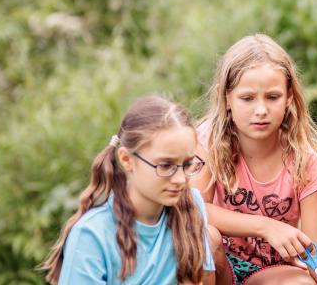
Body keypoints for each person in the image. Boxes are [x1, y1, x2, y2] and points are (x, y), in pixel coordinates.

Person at [193, 34, 317, 285]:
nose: (261, 110)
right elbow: (191, 209)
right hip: (216, 268)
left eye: (272, 97)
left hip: (270, 271)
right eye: (247, 98)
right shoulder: (207, 141)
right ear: (226, 97)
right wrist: (266, 226)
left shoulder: (305, 161)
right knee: (203, 237)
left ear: (289, 96)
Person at [41, 95, 219, 285]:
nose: (180, 179)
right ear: (127, 160)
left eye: (187, 164)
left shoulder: (191, 205)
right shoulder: (91, 235)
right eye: (166, 165)